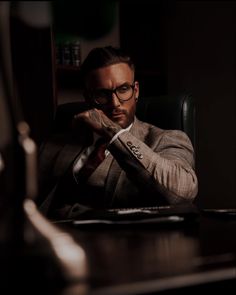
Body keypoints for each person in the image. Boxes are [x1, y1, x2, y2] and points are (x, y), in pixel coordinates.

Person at [37, 46, 198, 219]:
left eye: (123, 89)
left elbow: (180, 193)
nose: (115, 103)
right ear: (87, 97)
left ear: (135, 91)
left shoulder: (168, 139)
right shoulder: (54, 145)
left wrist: (112, 132)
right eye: (102, 94)